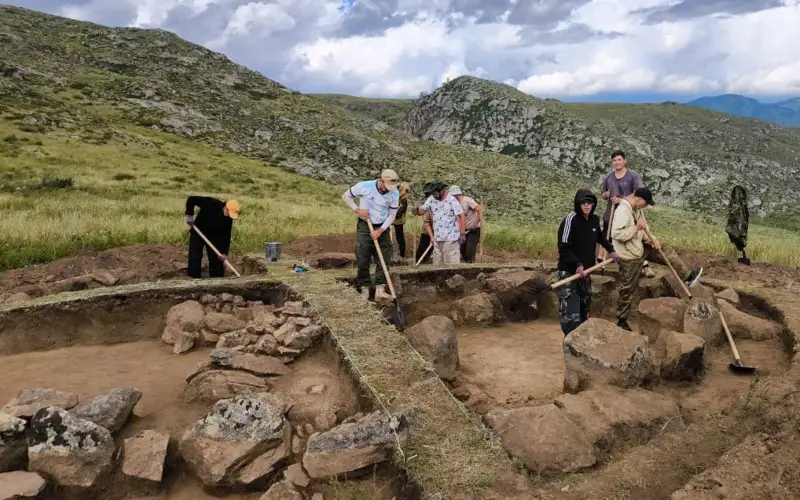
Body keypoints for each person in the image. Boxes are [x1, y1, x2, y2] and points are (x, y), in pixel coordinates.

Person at [611, 187, 702, 331]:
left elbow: (644, 228)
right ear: (639, 199)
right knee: (628, 289)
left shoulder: (638, 210)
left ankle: (687, 275)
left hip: (638, 247)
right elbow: (616, 234)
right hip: (628, 255)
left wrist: (653, 240)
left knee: (663, 249)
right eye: (645, 203)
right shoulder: (622, 211)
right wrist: (636, 228)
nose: (646, 206)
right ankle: (622, 321)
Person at [557, 188, 620, 335]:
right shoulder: (570, 219)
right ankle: (569, 347)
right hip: (569, 274)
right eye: (583, 203)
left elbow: (600, 237)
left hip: (586, 273)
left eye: (589, 203)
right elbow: (564, 247)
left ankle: (581, 348)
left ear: (593, 204)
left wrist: (611, 250)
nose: (586, 205)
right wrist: (577, 264)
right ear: (578, 204)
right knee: (571, 316)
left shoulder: (593, 220)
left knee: (584, 311)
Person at [342, 169, 400, 301]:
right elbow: (346, 196)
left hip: (383, 226)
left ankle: (380, 288)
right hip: (365, 225)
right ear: (380, 180)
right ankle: (364, 287)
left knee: (385, 256)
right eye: (387, 186)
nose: (389, 189)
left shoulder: (394, 193)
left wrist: (380, 231)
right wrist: (357, 210)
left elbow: (392, 215)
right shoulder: (364, 186)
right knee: (363, 255)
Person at [599, 150, 654, 277]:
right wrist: (605, 195)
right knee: (608, 234)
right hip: (612, 210)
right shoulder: (608, 177)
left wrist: (622, 200)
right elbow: (603, 193)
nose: (617, 162)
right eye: (614, 160)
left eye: (619, 160)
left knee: (636, 235)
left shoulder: (632, 176)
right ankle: (607, 261)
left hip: (629, 211)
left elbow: (638, 193)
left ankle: (644, 265)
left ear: (624, 161)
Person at [185, 196, 239, 279]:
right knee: (195, 256)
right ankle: (193, 278)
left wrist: (224, 252)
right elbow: (191, 199)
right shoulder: (211, 203)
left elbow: (226, 235)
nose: (229, 216)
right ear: (225, 208)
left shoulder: (228, 219)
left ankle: (217, 279)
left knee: (216, 258)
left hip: (214, 236)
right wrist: (189, 214)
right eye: (229, 212)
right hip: (199, 231)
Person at [419, 182, 465, 265]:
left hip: (451, 239)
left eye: (435, 193)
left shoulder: (452, 200)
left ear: (442, 191)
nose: (434, 196)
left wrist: (462, 232)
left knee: (451, 265)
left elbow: (461, 215)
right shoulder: (432, 199)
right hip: (437, 239)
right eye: (432, 194)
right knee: (437, 266)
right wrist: (417, 210)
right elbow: (422, 210)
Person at [449, 185, 483, 263]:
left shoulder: (467, 200)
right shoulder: (454, 204)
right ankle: (466, 266)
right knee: (462, 251)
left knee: (469, 251)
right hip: (463, 230)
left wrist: (476, 222)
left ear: (457, 194)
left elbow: (480, 210)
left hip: (473, 229)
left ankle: (471, 266)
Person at [412, 182, 436, 264]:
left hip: (439, 233)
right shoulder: (428, 202)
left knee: (431, 253)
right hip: (427, 232)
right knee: (420, 253)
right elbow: (426, 222)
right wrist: (417, 210)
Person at [726, 185, 750, 265]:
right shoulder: (737, 205)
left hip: (739, 226)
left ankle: (742, 256)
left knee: (739, 239)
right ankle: (740, 255)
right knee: (737, 239)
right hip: (737, 226)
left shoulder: (741, 206)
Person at [392, 181, 410, 262]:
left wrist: (393, 215)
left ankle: (402, 254)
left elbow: (402, 209)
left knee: (399, 235)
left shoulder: (403, 197)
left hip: (398, 218)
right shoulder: (396, 193)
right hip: (393, 216)